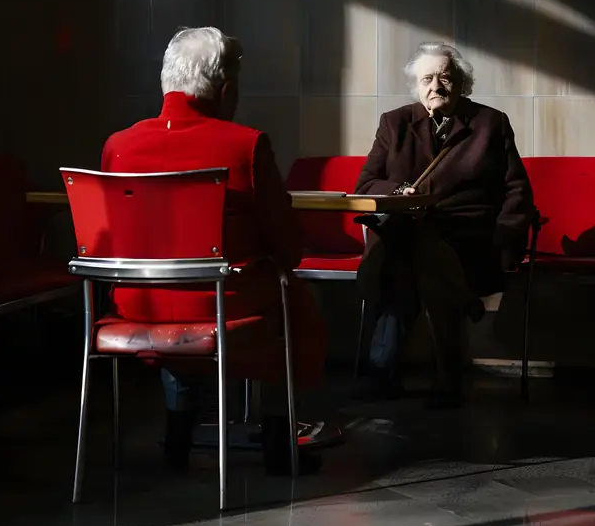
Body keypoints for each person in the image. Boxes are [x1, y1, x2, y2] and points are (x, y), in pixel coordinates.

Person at [102, 27, 327, 474]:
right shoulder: (244, 145)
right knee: (290, 302)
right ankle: (279, 444)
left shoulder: (117, 146)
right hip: (225, 304)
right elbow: (286, 243)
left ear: (167, 81)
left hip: (136, 305)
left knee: (178, 295)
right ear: (227, 90)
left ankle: (178, 440)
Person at [355, 42, 534, 408]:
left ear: (462, 84)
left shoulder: (491, 123)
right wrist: (400, 191)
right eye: (427, 79)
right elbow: (367, 185)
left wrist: (507, 237)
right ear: (416, 87)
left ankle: (380, 375)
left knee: (410, 260)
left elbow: (516, 188)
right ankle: (448, 372)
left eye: (445, 77)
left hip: (469, 238)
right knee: (413, 257)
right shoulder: (395, 122)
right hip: (407, 233)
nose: (435, 86)